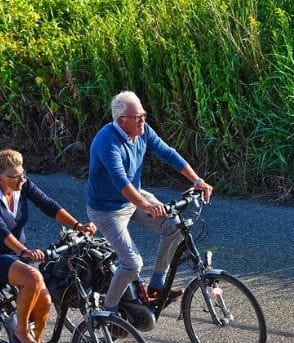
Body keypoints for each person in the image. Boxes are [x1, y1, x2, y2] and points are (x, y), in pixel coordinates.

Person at [86, 91, 213, 314]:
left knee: (174, 225)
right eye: (137, 117)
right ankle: (107, 313)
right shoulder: (106, 141)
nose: (143, 120)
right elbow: (120, 181)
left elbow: (167, 153)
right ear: (121, 121)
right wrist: (146, 205)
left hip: (134, 198)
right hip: (107, 210)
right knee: (132, 263)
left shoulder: (141, 130)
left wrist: (197, 180)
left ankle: (157, 283)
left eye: (144, 115)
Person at [0, 149, 97, 343]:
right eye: (16, 176)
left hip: (17, 254)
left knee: (45, 302)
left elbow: (48, 205)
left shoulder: (22, 185)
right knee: (33, 278)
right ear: (0, 178)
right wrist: (26, 252)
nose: (22, 179)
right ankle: (21, 333)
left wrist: (77, 226)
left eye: (23, 173)